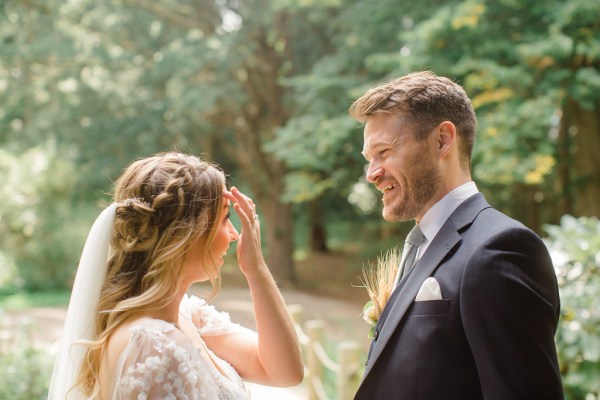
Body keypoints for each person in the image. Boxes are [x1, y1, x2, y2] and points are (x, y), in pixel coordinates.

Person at [349, 71, 563, 399]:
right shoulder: (420, 246)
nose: (372, 174)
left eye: (384, 152)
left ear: (442, 140)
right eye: (369, 159)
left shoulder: (499, 250)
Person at [48, 152, 303, 399]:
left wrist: (255, 270)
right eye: (225, 217)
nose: (235, 234)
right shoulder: (153, 345)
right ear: (186, 233)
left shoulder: (187, 318)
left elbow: (284, 372)